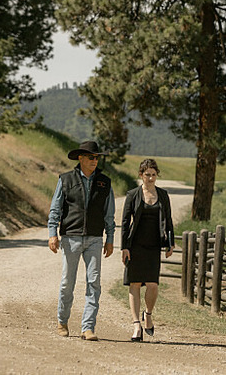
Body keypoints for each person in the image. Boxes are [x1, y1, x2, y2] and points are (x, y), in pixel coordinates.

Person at [47, 141, 115, 341]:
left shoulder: (105, 182)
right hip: (71, 238)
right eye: (91, 157)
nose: (95, 161)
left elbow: (109, 214)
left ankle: (88, 327)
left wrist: (109, 239)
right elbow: (55, 209)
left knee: (94, 283)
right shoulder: (66, 180)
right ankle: (62, 321)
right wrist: (53, 233)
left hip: (95, 238)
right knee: (68, 282)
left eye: (97, 157)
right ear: (81, 158)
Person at [121, 158, 174, 342]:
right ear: (141, 175)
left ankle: (148, 314)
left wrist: (170, 243)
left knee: (153, 284)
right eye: (147, 175)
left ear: (156, 175)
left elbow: (168, 219)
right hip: (135, 245)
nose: (150, 178)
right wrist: (125, 247)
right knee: (134, 283)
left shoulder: (163, 195)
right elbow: (126, 223)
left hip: (154, 245)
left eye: (153, 175)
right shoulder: (132, 195)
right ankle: (136, 325)